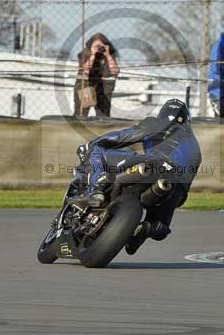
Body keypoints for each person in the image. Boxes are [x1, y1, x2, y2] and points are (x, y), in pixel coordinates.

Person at [75, 99, 202, 255]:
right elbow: (185, 186)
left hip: (152, 165)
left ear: (163, 114)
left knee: (97, 149)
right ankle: (147, 228)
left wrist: (93, 143)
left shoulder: (158, 123)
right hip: (175, 190)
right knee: (160, 227)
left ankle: (96, 188)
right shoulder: (195, 146)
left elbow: (123, 137)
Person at [73, 33, 120, 117]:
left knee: (103, 117)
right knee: (81, 115)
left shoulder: (111, 54)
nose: (99, 48)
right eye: (96, 45)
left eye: (101, 45)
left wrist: (108, 55)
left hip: (103, 89)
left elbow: (114, 71)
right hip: (86, 87)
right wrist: (93, 54)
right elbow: (85, 70)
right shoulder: (85, 53)